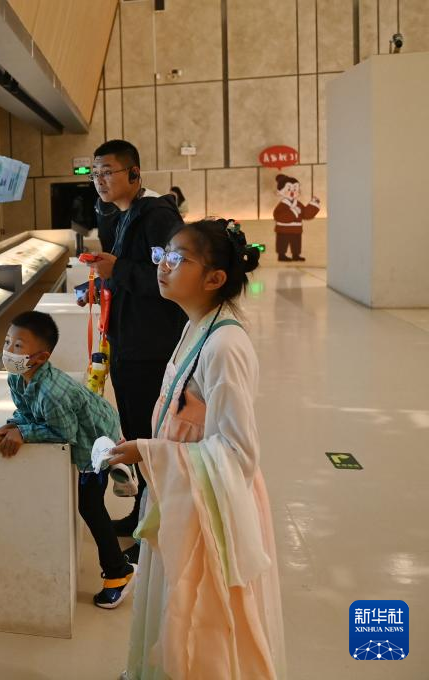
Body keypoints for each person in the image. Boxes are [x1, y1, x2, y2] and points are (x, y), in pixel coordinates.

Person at [109, 219, 285, 680]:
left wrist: (152, 454)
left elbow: (238, 453)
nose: (163, 266)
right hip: (188, 495)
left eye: (178, 258)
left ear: (214, 278)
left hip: (211, 507)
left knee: (202, 626)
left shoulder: (224, 345)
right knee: (176, 608)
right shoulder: (197, 326)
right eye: (162, 255)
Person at [0, 311, 136, 609]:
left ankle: (119, 573)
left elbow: (64, 434)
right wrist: (10, 427)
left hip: (93, 441)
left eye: (18, 346)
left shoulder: (52, 394)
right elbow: (26, 412)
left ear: (41, 357)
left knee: (90, 506)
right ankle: (116, 465)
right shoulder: (17, 377)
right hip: (85, 425)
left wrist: (24, 433)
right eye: (8, 342)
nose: (9, 351)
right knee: (87, 501)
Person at [88, 140, 188, 540]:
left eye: (108, 172)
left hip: (151, 347)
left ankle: (160, 524)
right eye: (95, 174)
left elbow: (174, 277)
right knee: (135, 432)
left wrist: (119, 270)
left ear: (134, 173)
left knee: (150, 435)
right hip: (127, 343)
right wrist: (101, 282)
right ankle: (143, 514)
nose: (100, 181)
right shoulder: (124, 215)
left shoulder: (157, 216)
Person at [273, 174, 320, 262]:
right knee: (282, 242)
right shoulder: (282, 205)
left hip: (296, 228)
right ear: (281, 191)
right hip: (283, 229)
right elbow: (278, 216)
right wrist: (293, 211)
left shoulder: (298, 204)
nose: (292, 192)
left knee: (296, 242)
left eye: (295, 189)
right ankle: (281, 255)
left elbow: (305, 214)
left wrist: (313, 204)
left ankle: (296, 255)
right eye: (289, 189)